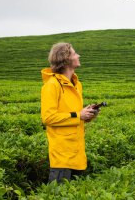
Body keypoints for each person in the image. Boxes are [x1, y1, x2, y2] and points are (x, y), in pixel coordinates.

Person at [41, 42, 99, 183]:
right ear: (66, 59)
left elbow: (75, 114)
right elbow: (48, 118)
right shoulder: (51, 85)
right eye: (74, 53)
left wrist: (88, 115)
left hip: (77, 149)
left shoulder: (77, 84)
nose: (78, 55)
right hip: (62, 153)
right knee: (58, 194)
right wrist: (78, 115)